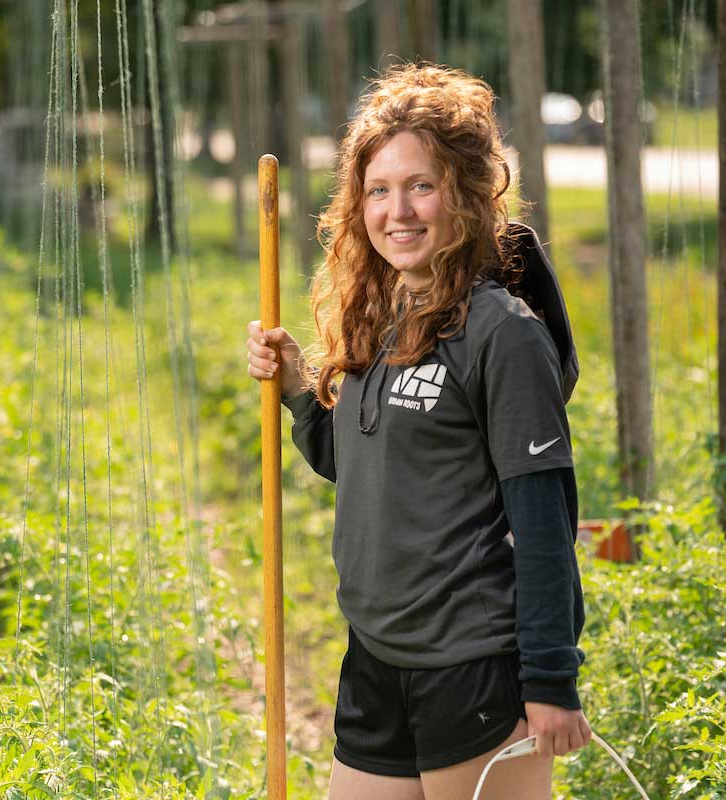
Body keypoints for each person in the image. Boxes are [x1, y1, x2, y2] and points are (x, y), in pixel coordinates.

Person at [245, 62, 591, 799]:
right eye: (378, 190)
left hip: (473, 667)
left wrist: (552, 681)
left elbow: (543, 520)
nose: (397, 210)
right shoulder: (380, 318)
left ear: (466, 195)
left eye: (420, 186)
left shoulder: (504, 335)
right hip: (376, 659)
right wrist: (300, 387)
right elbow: (365, 464)